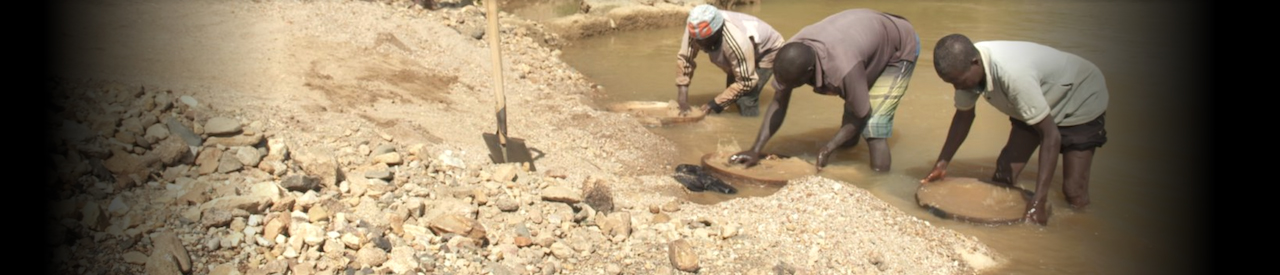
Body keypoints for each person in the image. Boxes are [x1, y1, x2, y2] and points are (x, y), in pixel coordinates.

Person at [921, 33, 1110, 226]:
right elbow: (963, 117)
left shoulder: (1014, 75)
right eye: (951, 83)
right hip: (1035, 97)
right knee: (1004, 174)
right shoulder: (962, 68)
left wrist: (1038, 201)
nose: (957, 87)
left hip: (1079, 97)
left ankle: (1078, 231)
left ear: (975, 62)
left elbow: (1051, 136)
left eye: (959, 81)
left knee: (1073, 191)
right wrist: (942, 164)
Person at [728, 8, 920, 172]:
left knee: (873, 128)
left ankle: (878, 185)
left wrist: (828, 148)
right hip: (862, 40)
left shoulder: (843, 68)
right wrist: (756, 148)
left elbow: (862, 114)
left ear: (809, 73)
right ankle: (848, 154)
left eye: (796, 84)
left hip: (899, 48)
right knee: (854, 110)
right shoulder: (790, 56)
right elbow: (779, 102)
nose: (790, 88)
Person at [675, 4, 785, 117]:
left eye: (705, 40)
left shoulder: (737, 42)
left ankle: (747, 127)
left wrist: (713, 105)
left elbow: (746, 82)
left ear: (717, 32)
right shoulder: (695, 29)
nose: (700, 45)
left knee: (745, 98)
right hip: (744, 47)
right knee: (731, 91)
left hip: (767, 50)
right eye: (698, 41)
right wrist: (682, 100)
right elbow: (685, 60)